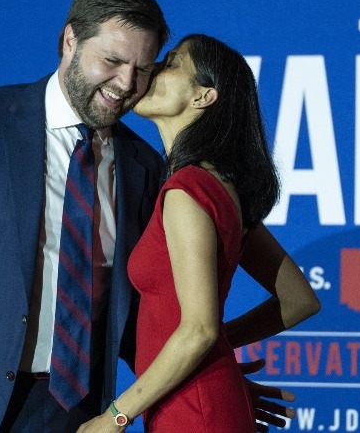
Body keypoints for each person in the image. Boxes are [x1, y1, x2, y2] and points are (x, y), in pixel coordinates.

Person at [0, 0, 296, 431]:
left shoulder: (146, 169)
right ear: (70, 40)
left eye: (144, 68)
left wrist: (201, 378)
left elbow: (139, 313)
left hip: (75, 411)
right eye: (112, 60)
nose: (127, 83)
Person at [77, 34, 321, 432]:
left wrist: (115, 416)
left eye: (171, 63)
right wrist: (211, 350)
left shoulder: (187, 190)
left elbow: (200, 329)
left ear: (204, 96)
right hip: (200, 398)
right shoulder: (218, 187)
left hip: (193, 412)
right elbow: (299, 300)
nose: (152, 69)